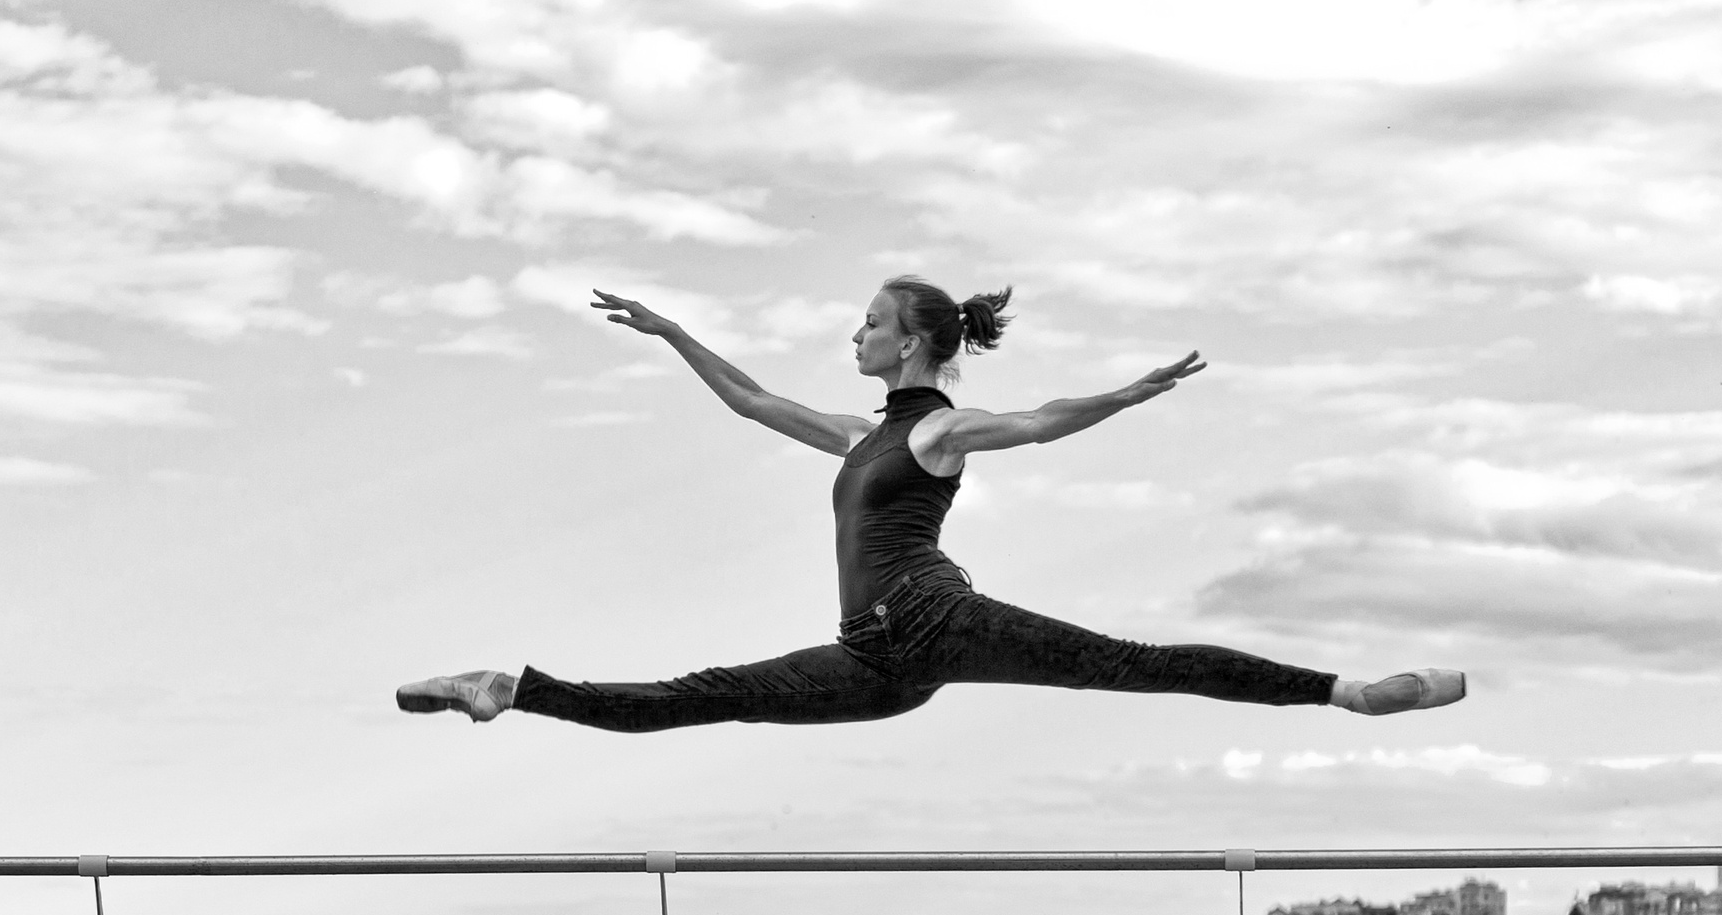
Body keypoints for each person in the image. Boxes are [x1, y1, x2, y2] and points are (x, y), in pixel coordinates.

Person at [398, 282, 1463, 732]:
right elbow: (753, 400)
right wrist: (674, 332)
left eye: (867, 324)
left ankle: (1353, 693)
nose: (852, 336)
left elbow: (1040, 421)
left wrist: (1122, 395)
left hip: (931, 618)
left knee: (1136, 664)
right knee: (696, 695)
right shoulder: (861, 433)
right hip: (875, 667)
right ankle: (509, 687)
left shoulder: (932, 433)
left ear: (909, 341)